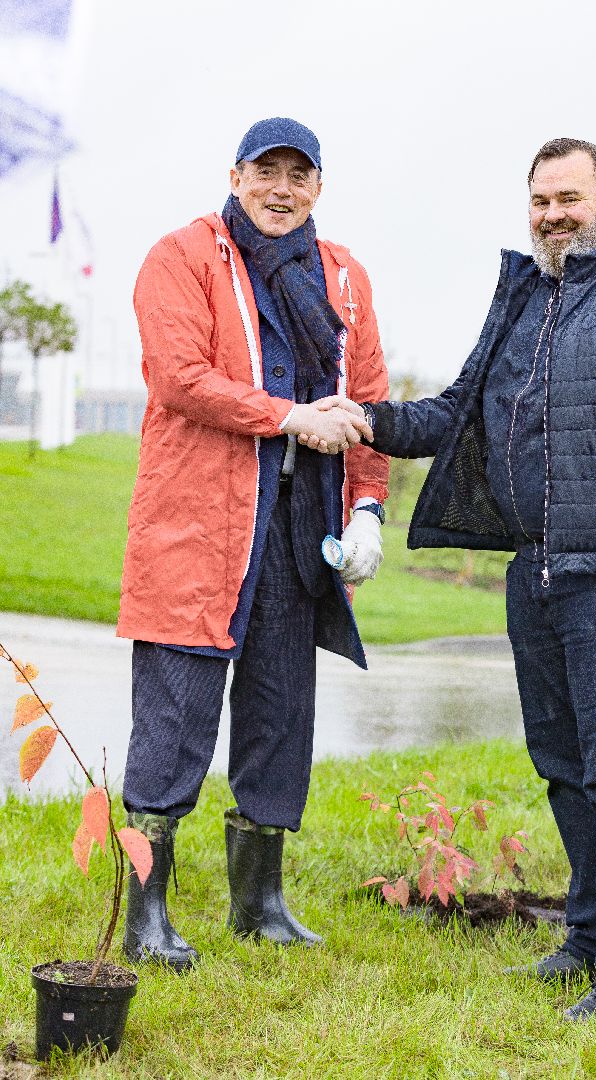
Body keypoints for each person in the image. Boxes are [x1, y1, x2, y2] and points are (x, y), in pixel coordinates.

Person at [325, 139, 596, 1025]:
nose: (551, 214)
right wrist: (364, 420)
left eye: (569, 197)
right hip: (534, 574)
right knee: (564, 766)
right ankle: (586, 939)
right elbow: (452, 413)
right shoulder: (525, 300)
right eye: (539, 199)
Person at [117, 117, 389, 969]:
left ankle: (259, 901)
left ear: (318, 186)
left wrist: (368, 506)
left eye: (297, 175)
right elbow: (179, 376)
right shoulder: (181, 256)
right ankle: (146, 913)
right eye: (264, 171)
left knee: (279, 713)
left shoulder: (343, 276)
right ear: (234, 176)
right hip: (198, 527)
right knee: (175, 715)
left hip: (300, 533)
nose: (281, 188)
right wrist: (284, 416)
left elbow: (367, 401)